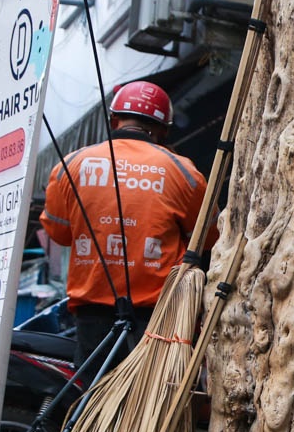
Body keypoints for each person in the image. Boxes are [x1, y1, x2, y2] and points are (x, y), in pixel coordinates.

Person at [40, 81, 207, 367]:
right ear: (164, 130)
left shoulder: (71, 165)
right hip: (159, 318)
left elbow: (59, 233)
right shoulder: (185, 172)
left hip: (90, 314)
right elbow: (206, 239)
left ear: (113, 119)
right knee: (149, 405)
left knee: (91, 399)